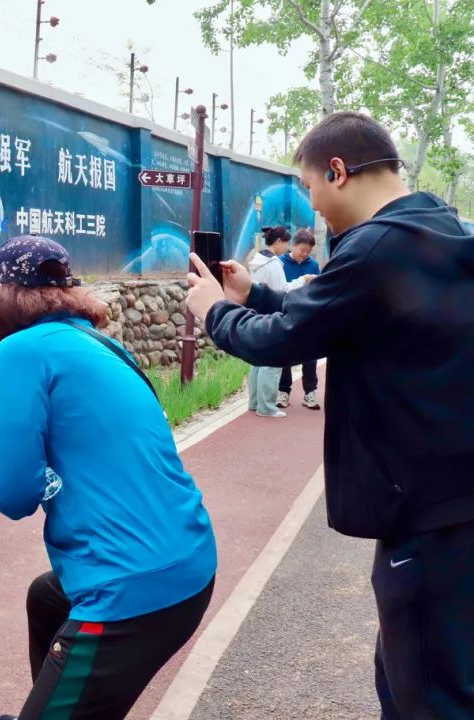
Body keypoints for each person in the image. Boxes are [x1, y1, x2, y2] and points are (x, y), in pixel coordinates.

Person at [185, 111, 474, 720]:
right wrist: (255, 295)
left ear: (338, 171)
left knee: (425, 693)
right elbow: (344, 314)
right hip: (453, 501)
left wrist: (214, 311)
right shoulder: (438, 227)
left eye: (311, 187)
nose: (313, 206)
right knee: (424, 675)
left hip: (421, 513)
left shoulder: (373, 245)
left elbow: (282, 339)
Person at [0, 235, 216, 720]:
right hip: (189, 559)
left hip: (130, 588)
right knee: (46, 599)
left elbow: (13, 494)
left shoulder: (20, 352)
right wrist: (2, 389)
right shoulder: (103, 344)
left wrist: (7, 399)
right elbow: (80, 418)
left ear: (3, 297)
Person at [246, 226, 293, 418]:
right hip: (272, 316)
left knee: (257, 361)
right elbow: (282, 290)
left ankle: (255, 402)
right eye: (287, 243)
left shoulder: (256, 261)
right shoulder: (273, 264)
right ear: (279, 241)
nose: (287, 248)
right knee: (272, 362)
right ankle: (267, 406)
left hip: (256, 314)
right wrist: (302, 281)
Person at [278, 228, 322, 410]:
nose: (304, 254)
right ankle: (283, 391)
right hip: (286, 312)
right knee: (285, 353)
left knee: (310, 354)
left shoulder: (314, 265)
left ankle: (310, 392)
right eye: (302, 250)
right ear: (293, 245)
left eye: (308, 252)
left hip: (307, 314)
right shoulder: (280, 263)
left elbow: (318, 288)